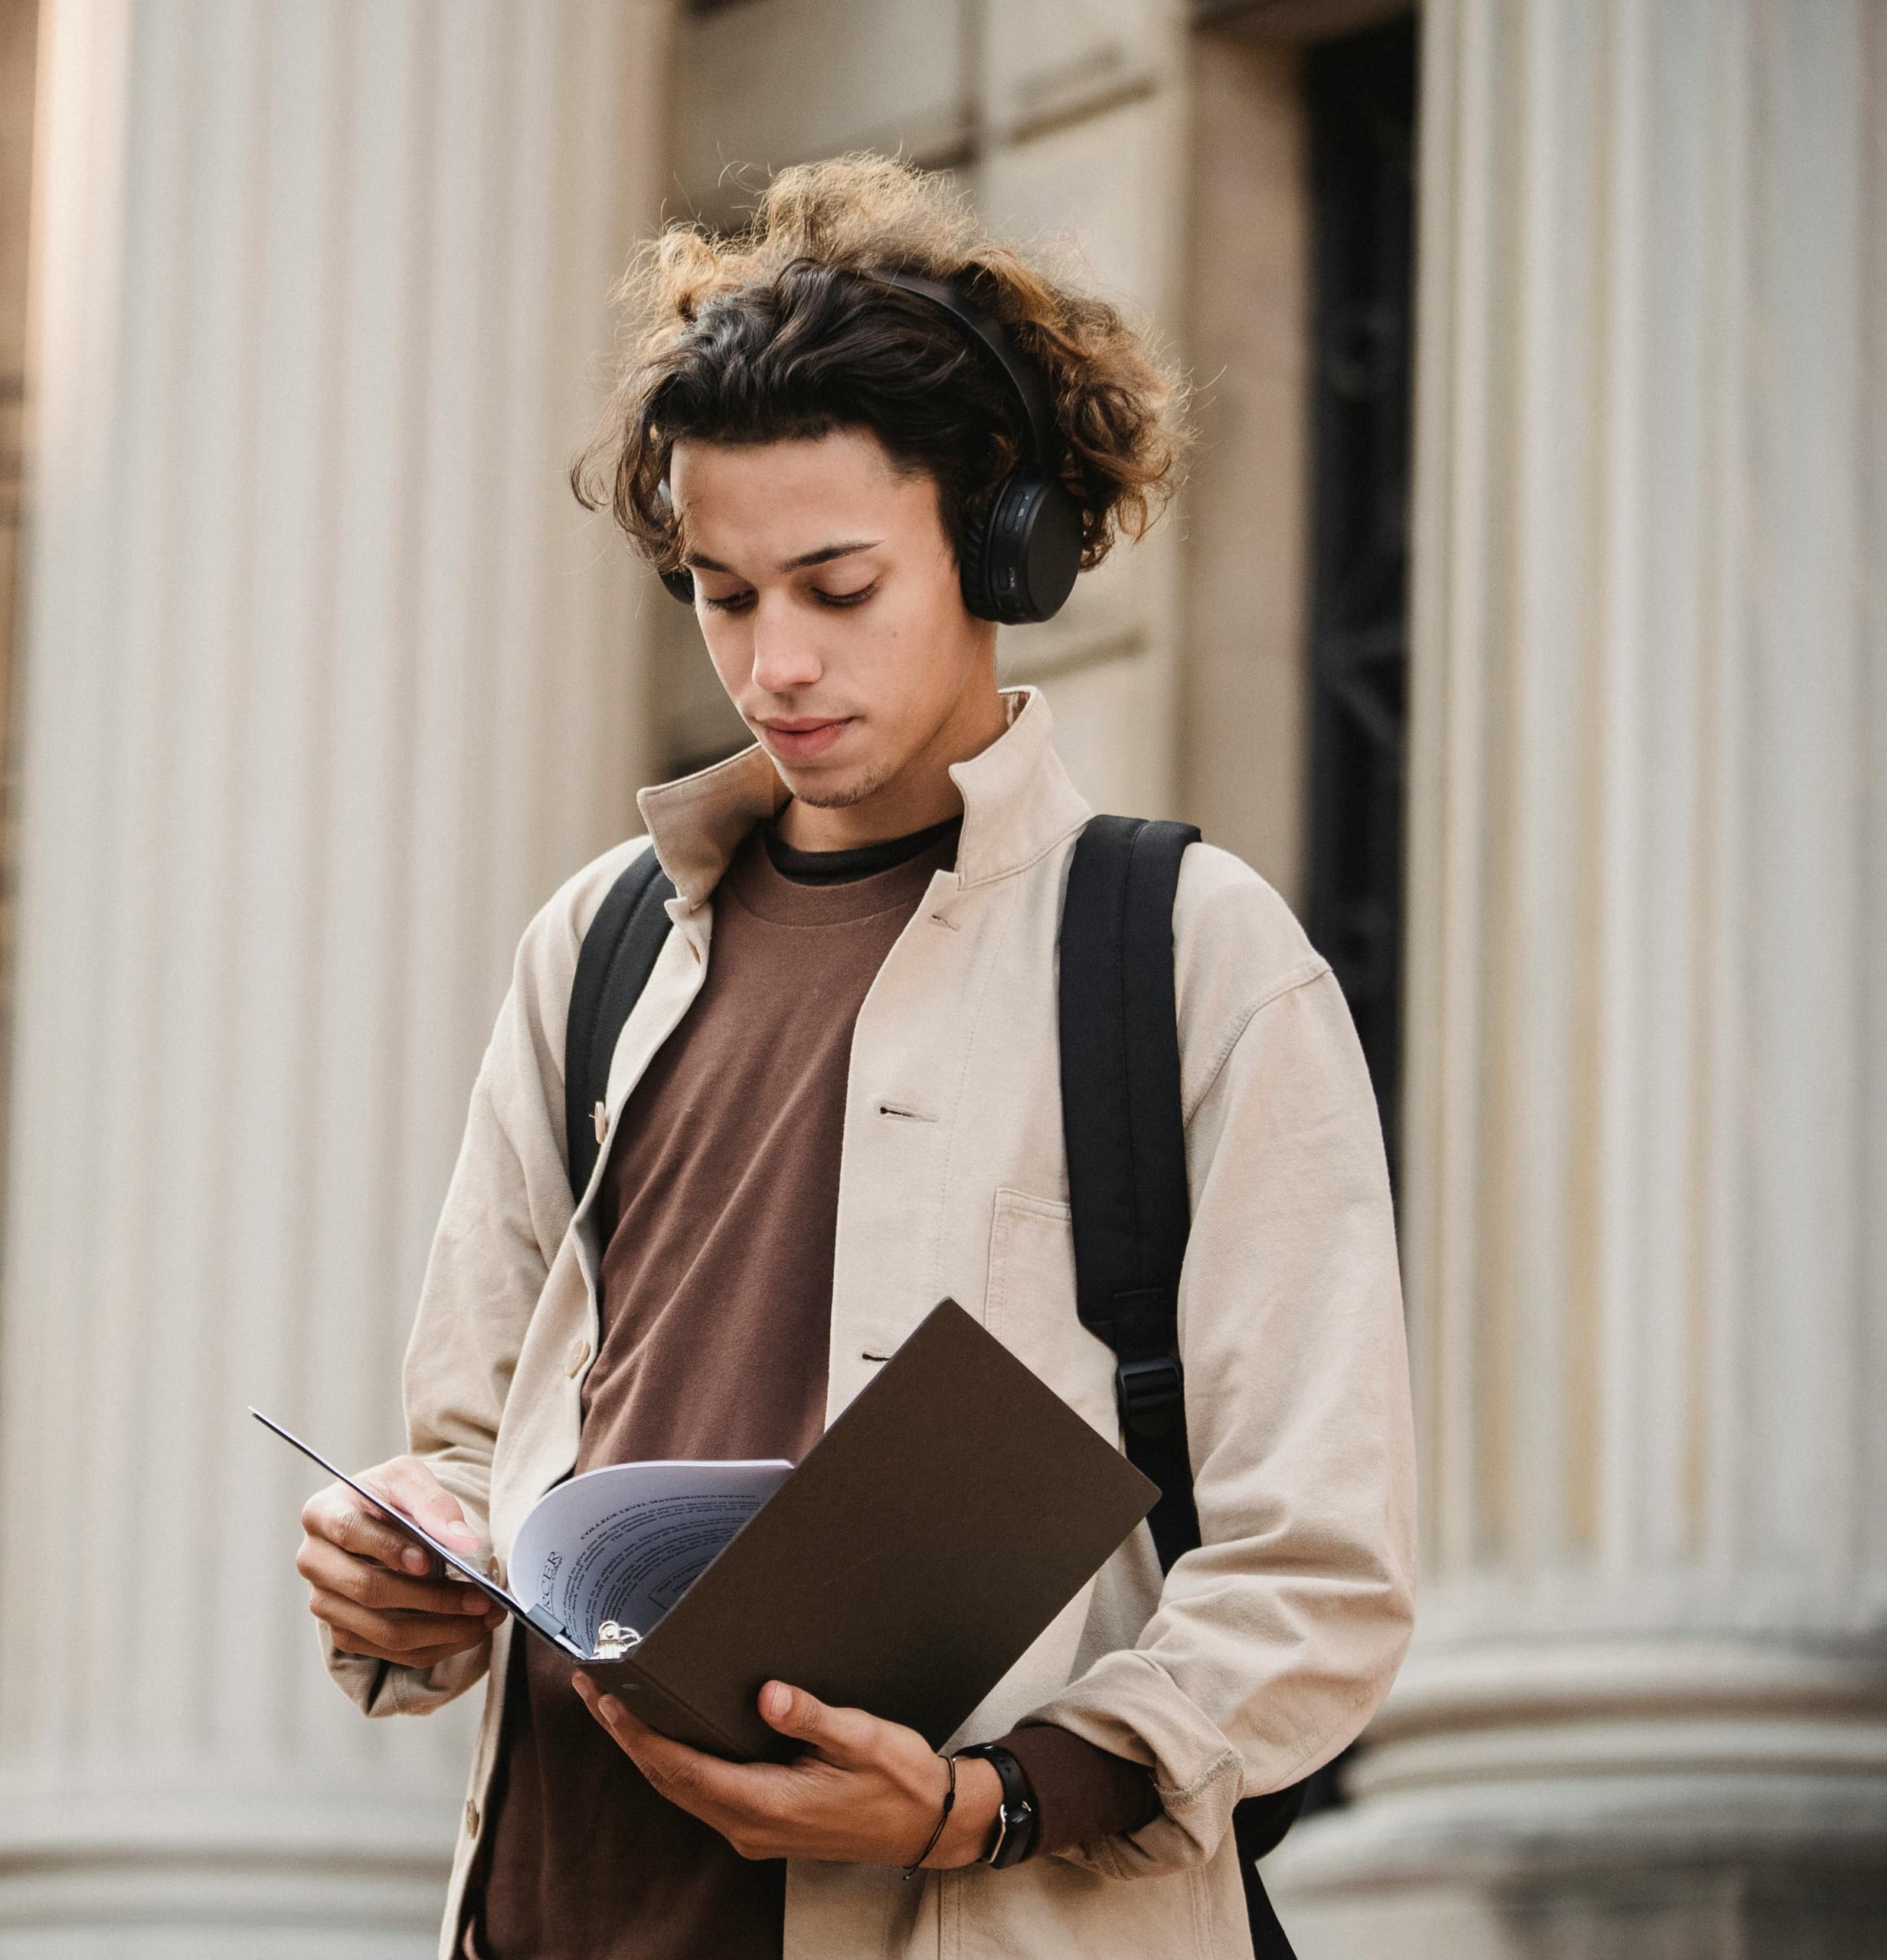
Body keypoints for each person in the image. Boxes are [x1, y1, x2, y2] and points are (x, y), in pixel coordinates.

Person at [292, 155, 1414, 1960]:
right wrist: (395, 1559)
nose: (775, 663)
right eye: (726, 596)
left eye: (835, 584)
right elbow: (460, 1449)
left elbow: (1319, 1572)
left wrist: (984, 1801)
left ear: (1001, 548)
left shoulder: (1193, 955)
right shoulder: (593, 945)